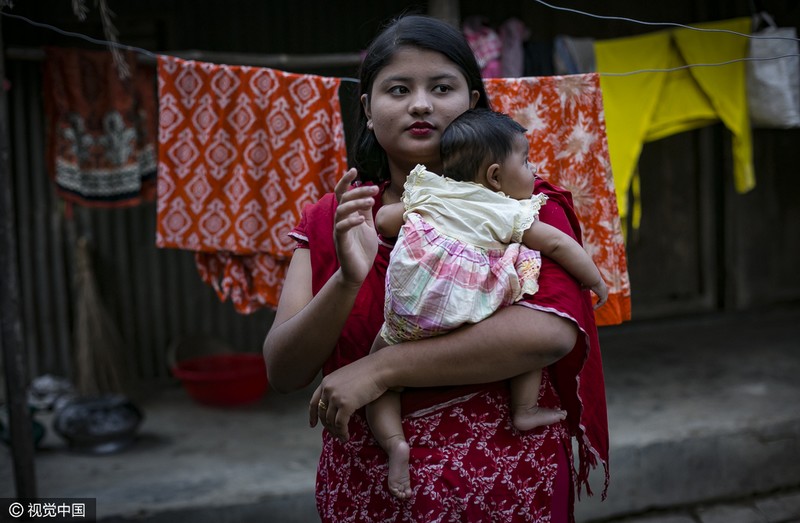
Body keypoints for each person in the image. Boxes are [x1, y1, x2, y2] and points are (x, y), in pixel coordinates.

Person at [263, 13, 609, 522]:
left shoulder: (523, 203)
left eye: (441, 87)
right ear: (367, 108)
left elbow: (548, 334)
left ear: (472, 101)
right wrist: (346, 279)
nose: (420, 104)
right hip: (369, 496)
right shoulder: (335, 220)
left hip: (509, 490)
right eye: (398, 89)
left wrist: (380, 369)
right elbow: (283, 370)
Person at [368, 108, 608, 499]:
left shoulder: (431, 191)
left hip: (410, 311)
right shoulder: (511, 209)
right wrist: (595, 281)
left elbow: (386, 221)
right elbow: (560, 245)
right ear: (495, 176)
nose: (534, 170)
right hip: (473, 311)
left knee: (378, 377)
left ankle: (395, 443)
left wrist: (404, 218)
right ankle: (525, 409)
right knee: (525, 339)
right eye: (527, 161)